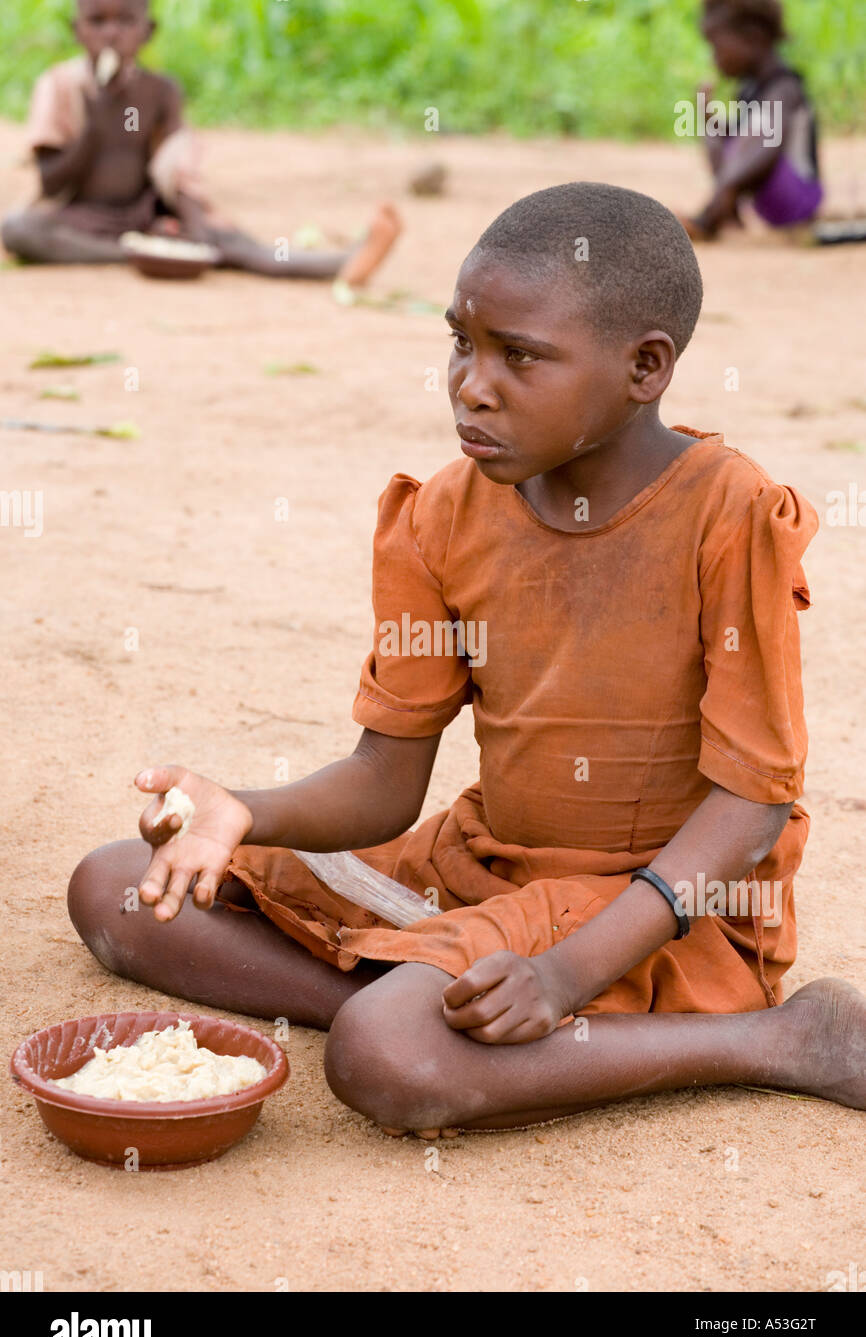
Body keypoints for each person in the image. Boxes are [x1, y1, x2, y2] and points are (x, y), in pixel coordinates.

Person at [68, 182, 866, 1138]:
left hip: (660, 907)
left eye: (519, 357)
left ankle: (772, 1039)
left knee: (386, 1058)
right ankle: (459, 1010)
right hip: (480, 871)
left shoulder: (729, 518)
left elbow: (753, 801)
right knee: (120, 887)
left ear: (645, 367)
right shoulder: (440, 515)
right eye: (461, 342)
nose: (471, 385)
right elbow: (383, 783)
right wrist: (245, 812)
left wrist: (566, 971)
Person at [0, 0, 400, 283]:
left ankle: (341, 263)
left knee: (228, 242)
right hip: (80, 217)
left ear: (148, 30)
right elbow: (51, 179)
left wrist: (197, 232)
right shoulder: (60, 86)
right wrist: (94, 126)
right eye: (97, 21)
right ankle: (129, 255)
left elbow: (175, 174)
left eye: (125, 21)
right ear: (77, 30)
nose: (111, 34)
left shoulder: (160, 92)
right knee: (16, 230)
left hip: (145, 214)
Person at [682, 0, 823, 240]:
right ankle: (728, 211)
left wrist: (726, 187)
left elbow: (765, 144)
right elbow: (734, 141)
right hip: (765, 196)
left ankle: (711, 215)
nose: (714, 59)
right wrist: (707, 113)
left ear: (753, 39)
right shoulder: (749, 91)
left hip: (797, 198)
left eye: (716, 47)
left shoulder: (785, 87)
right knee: (714, 133)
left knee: (759, 133)